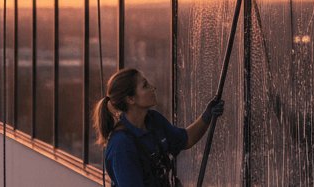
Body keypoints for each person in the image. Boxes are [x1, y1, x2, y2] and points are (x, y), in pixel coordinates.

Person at [93, 68, 224, 186]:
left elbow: (186, 139)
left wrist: (207, 116)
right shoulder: (122, 145)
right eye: (145, 85)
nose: (152, 87)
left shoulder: (153, 120)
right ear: (130, 99)